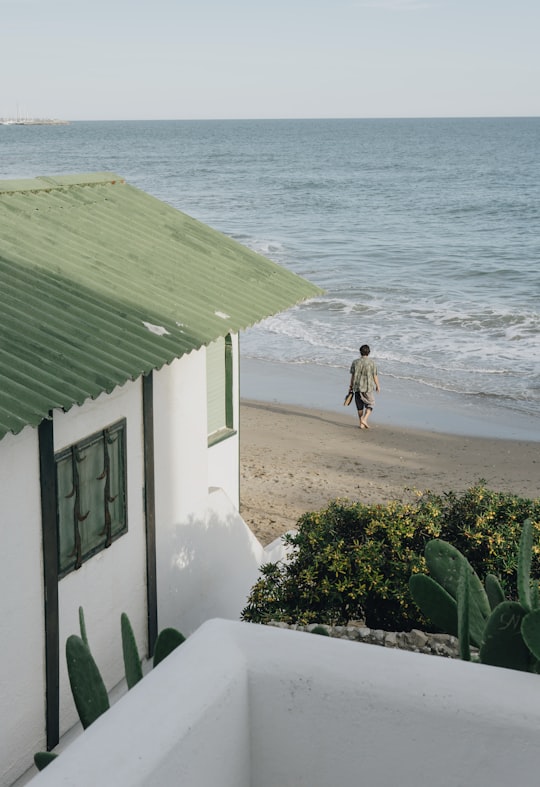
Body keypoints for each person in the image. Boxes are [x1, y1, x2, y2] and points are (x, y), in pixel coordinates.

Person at [349, 344, 380, 429]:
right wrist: (378, 386)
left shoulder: (355, 362)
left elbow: (353, 375)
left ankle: (361, 424)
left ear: (360, 352)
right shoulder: (372, 362)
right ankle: (365, 419)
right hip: (367, 387)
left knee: (359, 406)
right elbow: (375, 375)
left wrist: (351, 386)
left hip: (357, 387)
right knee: (371, 403)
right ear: (369, 352)